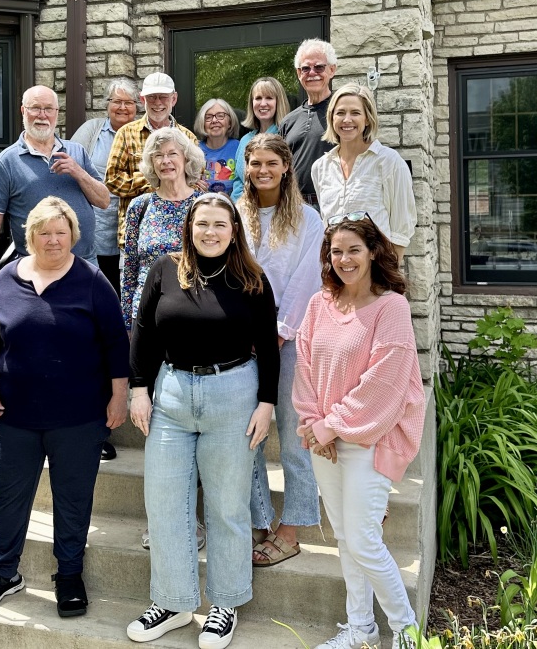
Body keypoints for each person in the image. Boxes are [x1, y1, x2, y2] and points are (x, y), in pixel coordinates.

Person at [126, 193, 279, 649]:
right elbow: (144, 333)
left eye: (220, 224)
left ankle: (224, 604)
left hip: (232, 393)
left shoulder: (251, 279)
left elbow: (269, 348)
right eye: (202, 224)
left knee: (227, 505)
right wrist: (139, 389)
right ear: (188, 228)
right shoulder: (163, 271)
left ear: (234, 230)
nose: (210, 232)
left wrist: (266, 404)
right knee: (165, 502)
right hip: (171, 394)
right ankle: (173, 603)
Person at [0, 198, 130, 618]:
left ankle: (69, 575)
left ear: (74, 237)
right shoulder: (8, 277)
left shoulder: (92, 281)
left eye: (61, 232)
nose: (53, 239)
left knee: (73, 499)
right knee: (10, 496)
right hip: (16, 415)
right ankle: (5, 572)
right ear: (31, 236)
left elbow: (117, 342)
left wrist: (119, 395)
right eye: (45, 232)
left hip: (78, 418)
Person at [293, 215, 425, 649]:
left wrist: (331, 427)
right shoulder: (319, 304)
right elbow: (305, 369)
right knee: (347, 540)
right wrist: (315, 426)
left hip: (369, 440)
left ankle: (406, 630)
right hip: (325, 439)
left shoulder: (391, 308)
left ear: (372, 252)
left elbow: (385, 382)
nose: (344, 259)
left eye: (353, 249)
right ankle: (360, 628)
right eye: (336, 251)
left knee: (365, 540)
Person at [235, 134, 324, 568]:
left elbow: (308, 280)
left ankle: (291, 528)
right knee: (247, 435)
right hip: (237, 340)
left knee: (292, 437)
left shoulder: (309, 220)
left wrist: (279, 331)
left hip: (288, 340)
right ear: (246, 167)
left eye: (272, 162)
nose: (263, 170)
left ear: (287, 166)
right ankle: (258, 519)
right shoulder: (236, 214)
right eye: (256, 163)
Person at [0, 85, 110, 299]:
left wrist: (77, 172)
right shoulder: (7, 161)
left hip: (85, 266)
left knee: (89, 330)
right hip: (38, 273)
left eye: (48, 109)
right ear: (23, 111)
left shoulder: (76, 152)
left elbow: (103, 201)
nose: (42, 115)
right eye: (35, 108)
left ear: (57, 113)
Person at [311, 83, 416, 260]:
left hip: (376, 273)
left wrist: (387, 280)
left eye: (355, 113)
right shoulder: (320, 168)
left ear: (367, 119)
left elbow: (401, 231)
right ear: (331, 117)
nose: (347, 119)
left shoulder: (389, 162)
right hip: (337, 270)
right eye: (341, 113)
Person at [119, 127, 205, 330]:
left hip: (194, 313)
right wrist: (126, 322)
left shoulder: (204, 205)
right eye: (158, 155)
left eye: (172, 153)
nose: (165, 161)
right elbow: (130, 269)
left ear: (186, 158)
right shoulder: (140, 206)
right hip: (146, 314)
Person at [105, 72, 198, 246]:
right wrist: (153, 179)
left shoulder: (188, 138)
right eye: (151, 97)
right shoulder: (126, 134)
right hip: (135, 235)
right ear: (142, 100)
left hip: (183, 236)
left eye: (163, 97)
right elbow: (112, 180)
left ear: (174, 99)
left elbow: (196, 180)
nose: (157, 103)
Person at [70, 77, 142, 294]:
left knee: (126, 290)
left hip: (131, 223)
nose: (122, 107)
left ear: (136, 107)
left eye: (128, 102)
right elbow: (70, 163)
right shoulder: (92, 131)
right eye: (116, 101)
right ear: (107, 105)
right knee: (97, 288)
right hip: (96, 224)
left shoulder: (143, 134)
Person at [280, 38, 338, 206]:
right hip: (295, 206)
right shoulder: (288, 121)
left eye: (319, 67)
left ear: (332, 70)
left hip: (333, 204)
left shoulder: (342, 113)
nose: (312, 73)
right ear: (299, 74)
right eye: (305, 68)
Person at [231, 76, 290, 201]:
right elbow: (238, 182)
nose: (263, 103)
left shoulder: (287, 136)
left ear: (279, 102)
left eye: (269, 98)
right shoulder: (245, 140)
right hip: (244, 210)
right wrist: (236, 209)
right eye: (258, 98)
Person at [194, 98, 241, 195]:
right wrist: (193, 183)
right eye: (208, 117)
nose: (214, 120)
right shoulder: (194, 150)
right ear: (202, 123)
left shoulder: (239, 148)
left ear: (230, 122)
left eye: (220, 116)